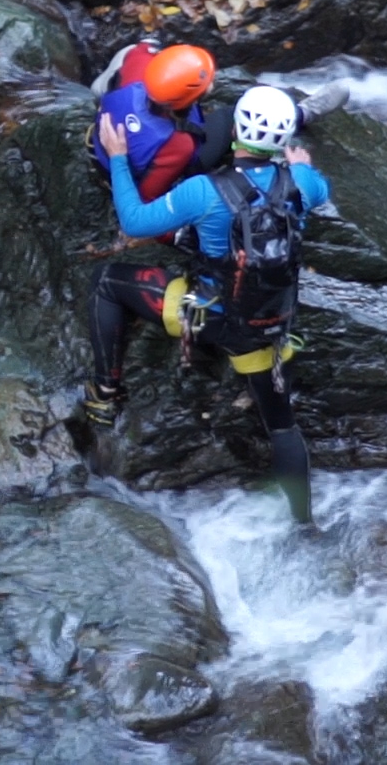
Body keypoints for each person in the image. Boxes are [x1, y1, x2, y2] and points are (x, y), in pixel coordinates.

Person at [86, 85, 330, 524]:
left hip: (206, 317)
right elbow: (318, 187)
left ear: (236, 129)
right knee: (282, 427)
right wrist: (300, 167)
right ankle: (304, 525)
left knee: (106, 281)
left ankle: (104, 393)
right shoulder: (305, 185)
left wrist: (119, 157)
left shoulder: (202, 190)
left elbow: (134, 221)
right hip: (267, 329)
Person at [89, 41, 217, 201]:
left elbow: (142, 48)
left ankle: (97, 89)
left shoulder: (140, 58)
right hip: (118, 176)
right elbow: (148, 195)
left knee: (148, 43)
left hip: (99, 142)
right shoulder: (180, 143)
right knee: (225, 119)